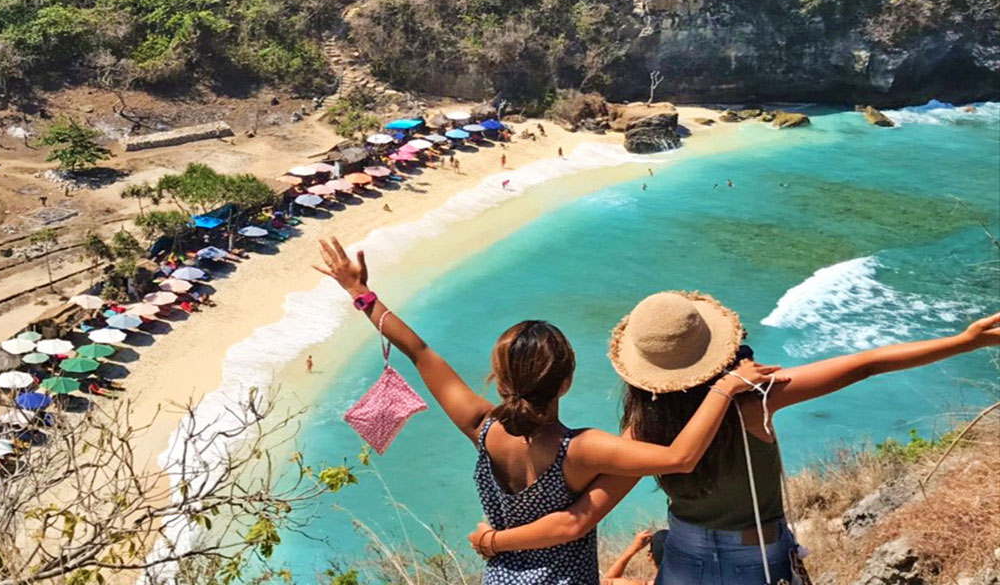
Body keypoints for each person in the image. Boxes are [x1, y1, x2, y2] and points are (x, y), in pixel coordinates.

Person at [314, 240, 779, 585]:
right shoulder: (583, 449)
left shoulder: (481, 428)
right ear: (567, 382)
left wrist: (361, 293)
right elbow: (680, 458)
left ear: (498, 377)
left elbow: (418, 351)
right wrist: (724, 388)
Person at [469, 292, 1000, 584]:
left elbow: (580, 517)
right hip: (755, 560)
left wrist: (495, 541)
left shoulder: (641, 430)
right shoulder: (752, 398)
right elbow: (864, 366)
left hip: (681, 557)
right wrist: (963, 340)